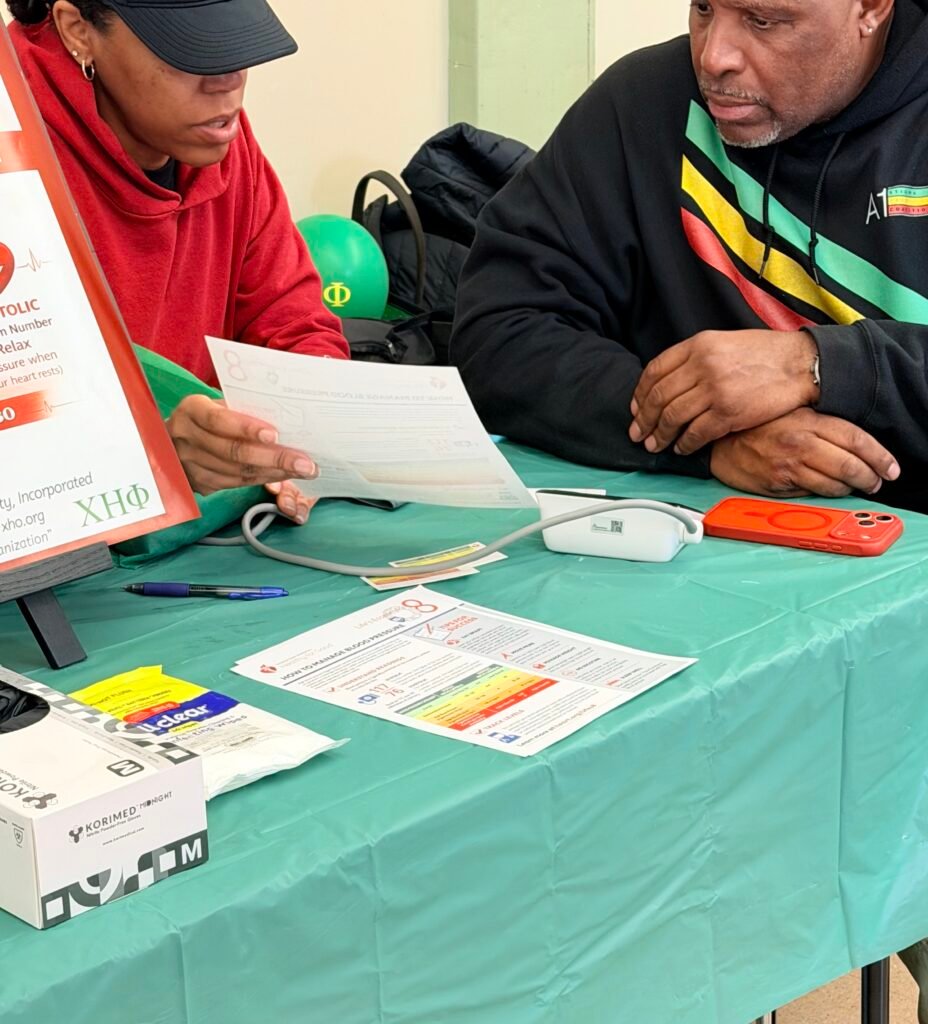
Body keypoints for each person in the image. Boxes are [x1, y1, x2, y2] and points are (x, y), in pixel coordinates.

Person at [451, 0, 928, 1013]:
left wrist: (818, 365)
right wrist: (703, 438)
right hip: (705, 642)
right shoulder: (645, 102)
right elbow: (499, 327)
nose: (716, 54)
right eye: (704, 7)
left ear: (869, 8)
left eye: (766, 20)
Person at [5, 0, 350, 524]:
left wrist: (303, 429)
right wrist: (152, 458)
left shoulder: (216, 133)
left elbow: (293, 326)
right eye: (190, 51)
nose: (228, 82)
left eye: (235, 47)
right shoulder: (13, 154)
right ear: (77, 30)